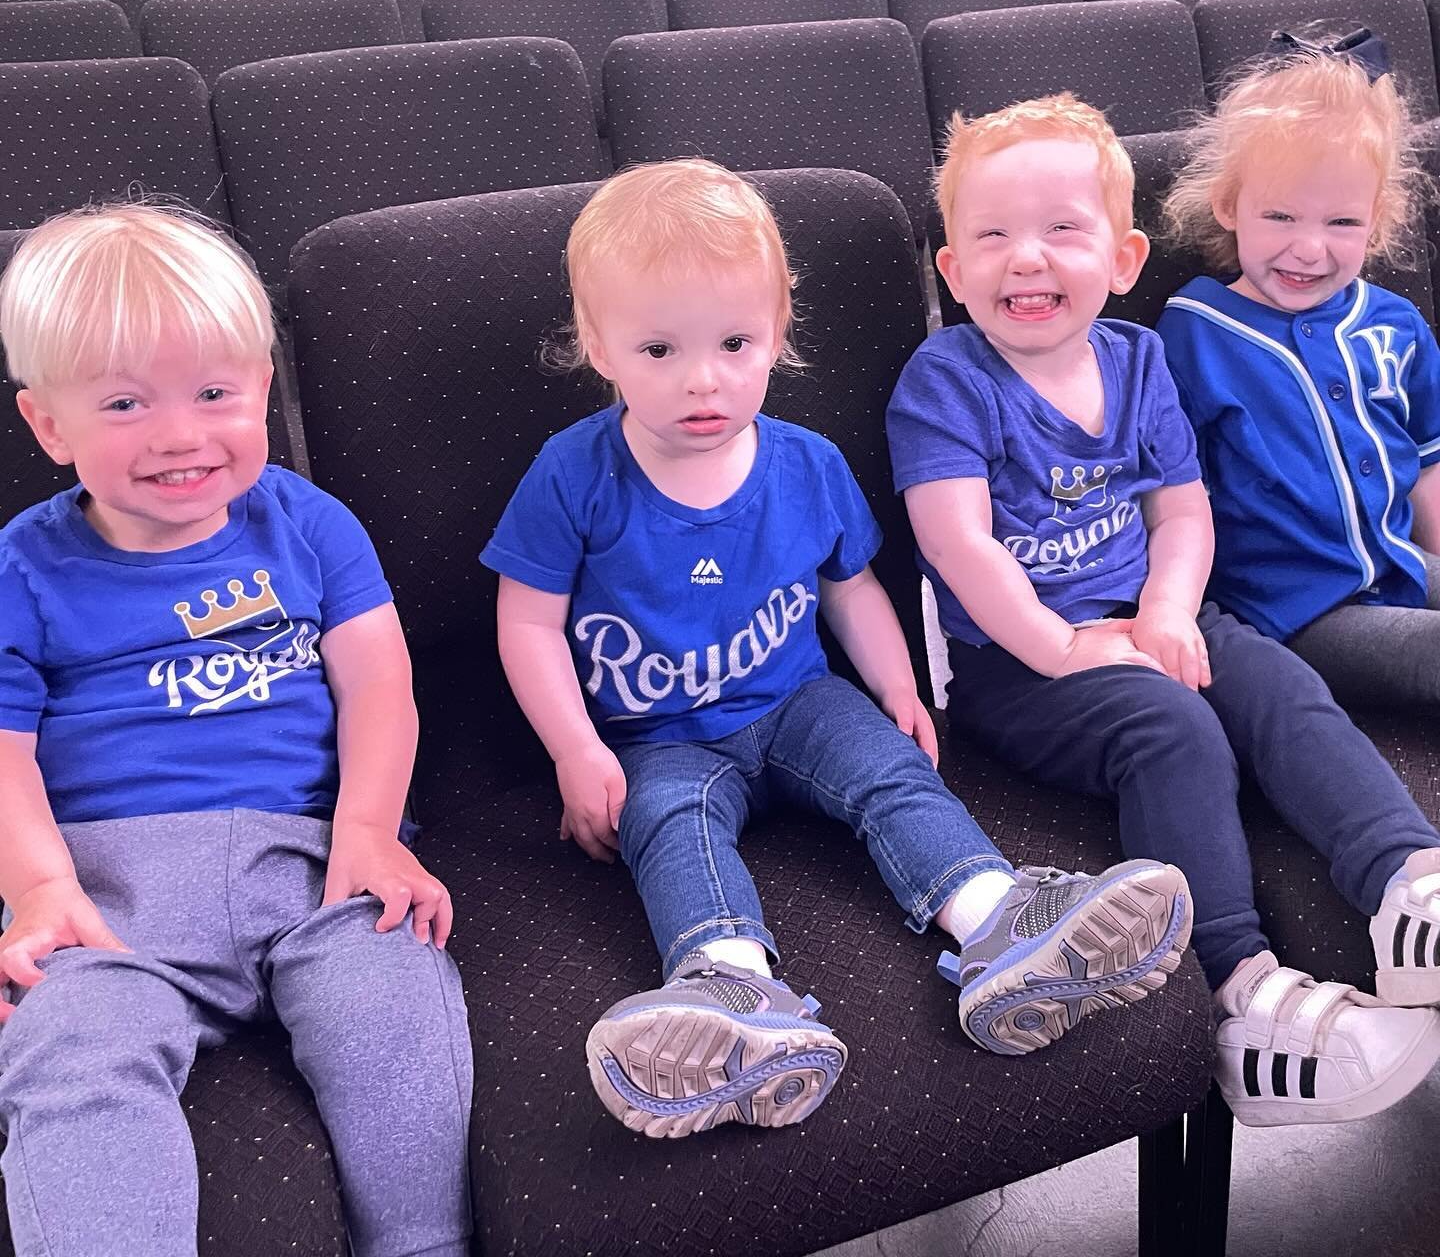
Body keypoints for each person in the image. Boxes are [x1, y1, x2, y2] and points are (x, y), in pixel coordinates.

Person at [481, 158, 1191, 1141]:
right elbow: (526, 622)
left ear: (778, 334)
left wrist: (899, 687)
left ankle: (997, 922)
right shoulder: (574, 474)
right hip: (660, 735)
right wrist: (575, 749)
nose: (703, 378)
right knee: (671, 826)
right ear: (598, 346)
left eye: (736, 342)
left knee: (891, 775)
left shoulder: (805, 464)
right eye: (658, 348)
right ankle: (733, 992)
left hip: (799, 703)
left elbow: (850, 587)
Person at [887, 92, 1440, 1126]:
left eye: (1063, 231)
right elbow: (958, 545)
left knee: (1281, 684)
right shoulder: (946, 377)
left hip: (1147, 614)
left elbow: (1182, 511)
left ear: (1125, 258)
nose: (1028, 259)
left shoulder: (1137, 360)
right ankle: (1242, 994)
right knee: (1177, 731)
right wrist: (1062, 648)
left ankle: (1406, 880)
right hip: (1019, 669)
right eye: (993, 237)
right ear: (954, 273)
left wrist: (1172, 612)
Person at [0, 203, 473, 1257]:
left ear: (263, 386)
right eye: (124, 402)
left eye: (215, 393)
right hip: (111, 893)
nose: (180, 435)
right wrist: (38, 889)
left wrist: (369, 829)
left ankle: (421, 1244)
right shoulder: (22, 569)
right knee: (69, 1049)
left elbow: (379, 687)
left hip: (305, 861)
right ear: (48, 426)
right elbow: (3, 756)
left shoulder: (308, 523)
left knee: (395, 990)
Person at [1159, 28, 1440, 712]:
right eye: (1279, 215)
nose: (1308, 249)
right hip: (1294, 615)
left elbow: (1429, 466)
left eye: (1342, 222)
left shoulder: (1394, 322)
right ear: (1229, 205)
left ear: (1377, 221)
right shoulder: (1192, 333)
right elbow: (1167, 502)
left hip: (1397, 564)